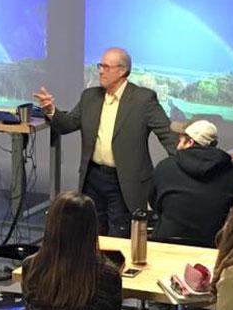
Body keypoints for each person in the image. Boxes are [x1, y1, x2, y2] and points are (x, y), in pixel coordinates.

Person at [34, 47, 177, 237]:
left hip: (124, 180)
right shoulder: (90, 96)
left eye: (106, 67)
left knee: (118, 236)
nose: (101, 70)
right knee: (92, 234)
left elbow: (167, 134)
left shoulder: (143, 99)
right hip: (93, 177)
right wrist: (51, 109)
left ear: (122, 71)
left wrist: (184, 163)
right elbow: (68, 125)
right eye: (100, 65)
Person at [15, 192, 123, 310]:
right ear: (92, 227)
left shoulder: (32, 267)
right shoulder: (107, 274)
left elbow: (32, 309)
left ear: (51, 225)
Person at [149, 119, 233, 246]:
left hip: (165, 243)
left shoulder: (165, 167)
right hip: (213, 246)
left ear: (190, 142)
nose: (177, 145)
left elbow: (154, 202)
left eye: (180, 141)